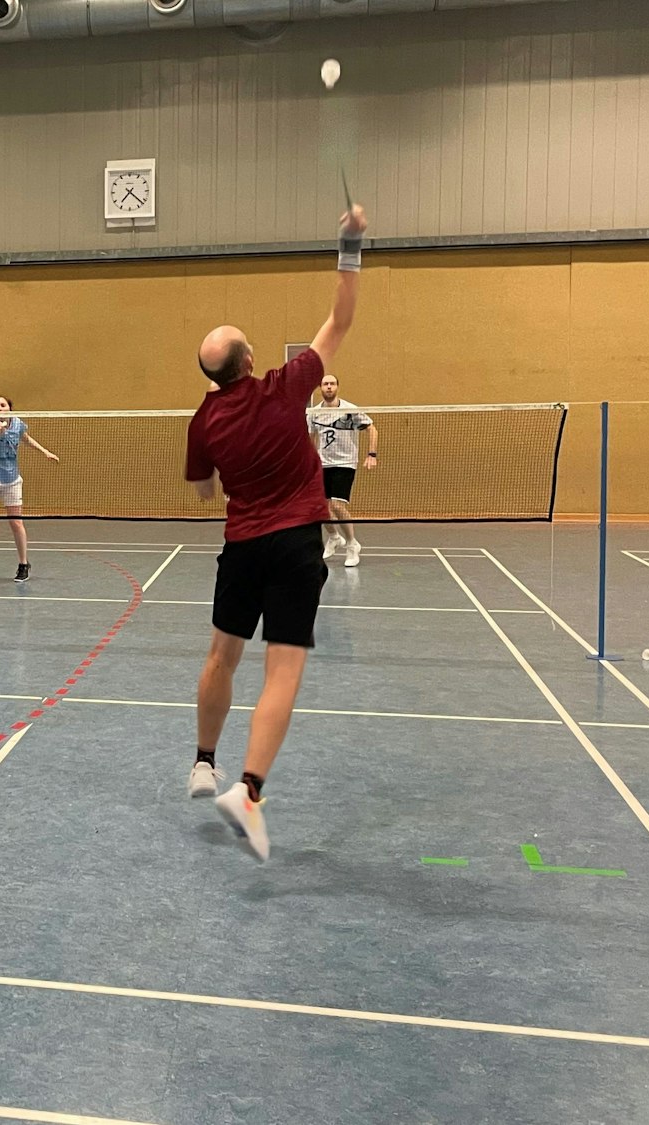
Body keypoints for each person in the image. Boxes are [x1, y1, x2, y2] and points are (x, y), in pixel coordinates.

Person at [184, 202, 368, 860]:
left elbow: (203, 487)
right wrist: (348, 243)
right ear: (251, 358)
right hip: (294, 545)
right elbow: (340, 319)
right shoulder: (287, 385)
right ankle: (248, 789)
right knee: (282, 670)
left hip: (240, 548)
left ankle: (203, 762)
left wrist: (223, 477)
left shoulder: (203, 422)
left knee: (220, 656)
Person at [0, 396, 59, 585]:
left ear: (10, 408)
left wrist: (45, 452)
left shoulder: (18, 424)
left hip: (11, 480)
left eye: (3, 405)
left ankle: (23, 564)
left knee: (16, 523)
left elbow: (26, 439)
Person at [311, 373, 377, 567]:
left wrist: (371, 454)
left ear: (337, 387)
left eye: (332, 384)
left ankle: (352, 544)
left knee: (338, 506)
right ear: (320, 388)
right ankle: (334, 537)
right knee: (319, 507)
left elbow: (372, 429)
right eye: (325, 384)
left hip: (345, 463)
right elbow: (311, 437)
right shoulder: (314, 413)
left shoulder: (350, 410)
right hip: (323, 463)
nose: (329, 387)